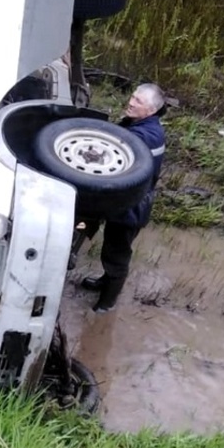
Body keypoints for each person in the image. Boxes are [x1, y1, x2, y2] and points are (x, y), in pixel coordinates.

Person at [74, 83, 166, 313]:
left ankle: (107, 303)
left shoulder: (146, 136)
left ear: (152, 110)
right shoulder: (137, 123)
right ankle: (105, 282)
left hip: (132, 205)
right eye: (132, 97)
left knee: (117, 253)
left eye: (138, 102)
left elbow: (113, 153)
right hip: (119, 198)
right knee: (108, 244)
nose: (131, 102)